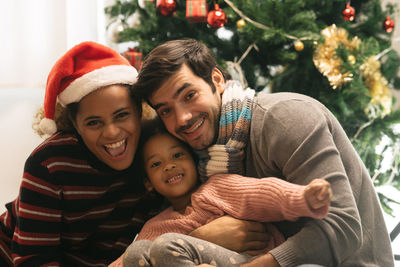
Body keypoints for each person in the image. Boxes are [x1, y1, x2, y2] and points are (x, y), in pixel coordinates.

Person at [132, 38, 395, 266]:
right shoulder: (195, 153)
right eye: (166, 110)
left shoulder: (286, 118)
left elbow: (343, 225)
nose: (182, 118)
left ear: (216, 79)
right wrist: (200, 238)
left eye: (189, 95)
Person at [0, 41, 163, 266]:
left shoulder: (155, 153)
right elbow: (33, 259)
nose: (112, 132)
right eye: (94, 122)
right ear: (74, 125)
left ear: (139, 111)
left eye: (122, 115)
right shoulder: (49, 163)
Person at [110, 118, 331, 267]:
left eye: (177, 156)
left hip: (253, 260)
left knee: (167, 246)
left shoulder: (216, 188)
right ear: (148, 183)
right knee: (136, 253)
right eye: (156, 164)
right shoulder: (156, 226)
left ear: (194, 161)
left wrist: (303, 197)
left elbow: (261, 194)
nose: (169, 166)